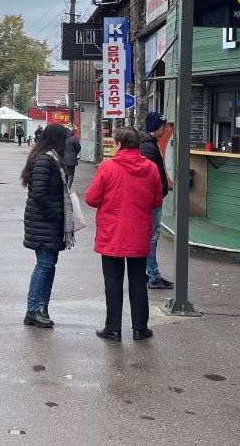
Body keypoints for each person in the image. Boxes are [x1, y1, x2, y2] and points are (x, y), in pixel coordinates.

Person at [86, 126, 162, 343]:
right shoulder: (151, 168)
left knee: (113, 281)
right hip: (139, 231)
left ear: (118, 144)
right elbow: (157, 199)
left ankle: (113, 328)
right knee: (138, 280)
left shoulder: (108, 167)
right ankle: (140, 328)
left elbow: (91, 198)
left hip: (113, 233)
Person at [20, 124, 71, 328]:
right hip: (44, 222)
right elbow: (38, 194)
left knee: (49, 265)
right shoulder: (45, 160)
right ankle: (33, 309)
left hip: (46, 222)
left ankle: (42, 306)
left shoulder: (50, 158)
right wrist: (56, 215)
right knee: (44, 264)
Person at [139, 112, 174, 290]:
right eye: (163, 126)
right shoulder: (148, 147)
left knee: (149, 238)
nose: (165, 129)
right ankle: (153, 276)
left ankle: (147, 273)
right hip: (152, 202)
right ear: (156, 127)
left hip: (152, 199)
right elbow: (148, 178)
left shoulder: (148, 144)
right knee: (151, 238)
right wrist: (160, 190)